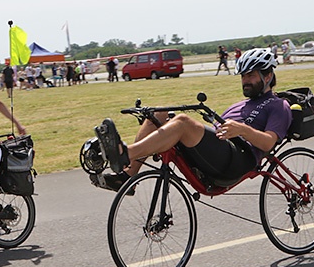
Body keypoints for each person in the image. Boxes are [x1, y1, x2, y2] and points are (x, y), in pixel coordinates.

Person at [94, 48, 291, 190]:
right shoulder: (242, 105)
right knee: (158, 113)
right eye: (242, 76)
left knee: (182, 122)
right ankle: (128, 176)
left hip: (238, 160)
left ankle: (125, 153)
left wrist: (242, 130)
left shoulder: (278, 105)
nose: (245, 81)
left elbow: (268, 142)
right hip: (219, 152)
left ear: (267, 76)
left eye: (250, 75)